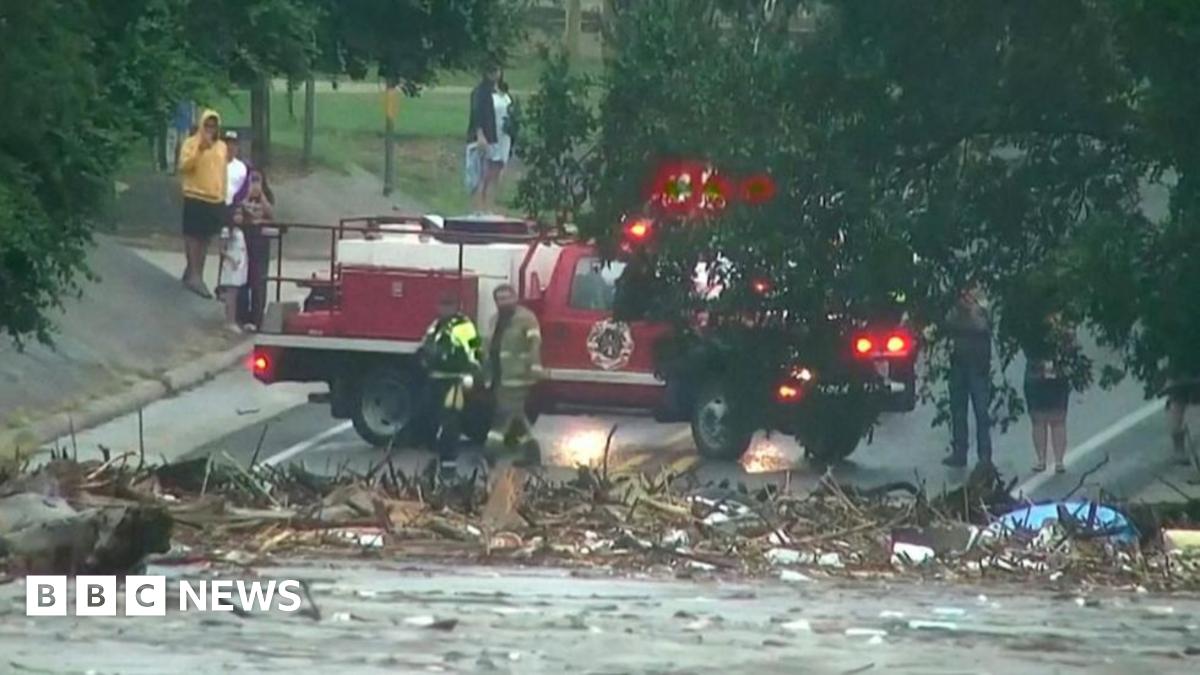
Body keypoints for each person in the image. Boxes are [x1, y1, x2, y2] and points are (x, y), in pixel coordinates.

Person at [419, 294, 483, 473]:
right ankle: (434, 457)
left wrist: (474, 373)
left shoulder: (464, 326)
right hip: (435, 378)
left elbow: (475, 349)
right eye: (442, 304)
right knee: (430, 416)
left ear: (456, 306)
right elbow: (426, 345)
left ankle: (448, 461)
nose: (444, 309)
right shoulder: (436, 325)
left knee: (450, 421)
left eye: (449, 304)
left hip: (455, 380)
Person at [483, 284, 544, 467]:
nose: (503, 302)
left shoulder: (526, 318)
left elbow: (534, 342)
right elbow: (488, 345)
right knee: (517, 417)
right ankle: (532, 454)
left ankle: (490, 451)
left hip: (518, 376)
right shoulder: (494, 320)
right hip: (499, 376)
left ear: (515, 298)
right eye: (499, 299)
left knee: (502, 415)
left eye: (507, 298)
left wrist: (534, 367)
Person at [178, 110, 228, 299]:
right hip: (195, 195)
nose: (210, 130)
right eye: (207, 126)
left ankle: (196, 271)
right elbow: (184, 166)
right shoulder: (191, 144)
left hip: (214, 198)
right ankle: (194, 275)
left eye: (213, 126)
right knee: (193, 236)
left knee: (206, 238)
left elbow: (222, 174)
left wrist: (223, 196)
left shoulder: (222, 147)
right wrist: (200, 149)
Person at [943, 282, 994, 468]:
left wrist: (971, 309)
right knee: (958, 410)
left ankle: (985, 456)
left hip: (978, 366)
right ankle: (959, 452)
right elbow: (947, 321)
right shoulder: (956, 309)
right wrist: (959, 309)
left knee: (981, 412)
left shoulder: (982, 305)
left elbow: (982, 326)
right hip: (958, 363)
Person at [1023, 313, 1075, 473]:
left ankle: (1059, 461)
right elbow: (1025, 344)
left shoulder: (1064, 322)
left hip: (1057, 372)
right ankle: (1041, 459)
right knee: (1038, 419)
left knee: (1058, 418)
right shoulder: (1029, 322)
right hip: (1035, 372)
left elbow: (1071, 345)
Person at [238, 167, 275, 329]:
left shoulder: (267, 196)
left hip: (261, 240)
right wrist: (247, 195)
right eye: (252, 180)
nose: (255, 184)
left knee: (259, 279)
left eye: (258, 180)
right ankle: (242, 315)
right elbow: (238, 211)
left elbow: (271, 214)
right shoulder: (241, 194)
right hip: (244, 238)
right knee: (243, 277)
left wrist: (261, 197)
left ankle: (258, 317)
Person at [466, 63, 505, 213]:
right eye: (492, 71)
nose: (495, 74)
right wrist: (480, 135)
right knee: (481, 174)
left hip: (497, 137)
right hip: (483, 138)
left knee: (493, 173)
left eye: (496, 70)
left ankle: (488, 207)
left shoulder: (499, 92)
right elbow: (476, 114)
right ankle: (478, 208)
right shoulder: (480, 92)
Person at [216, 208, 249, 334]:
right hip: (231, 265)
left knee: (236, 294)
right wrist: (231, 259)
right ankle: (229, 321)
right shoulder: (226, 230)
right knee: (231, 295)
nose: (239, 217)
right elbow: (222, 249)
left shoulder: (239, 231)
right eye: (236, 214)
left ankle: (233, 319)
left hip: (240, 264)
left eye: (241, 214)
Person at [224, 131, 249, 207]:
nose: (230, 147)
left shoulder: (241, 167)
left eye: (234, 144)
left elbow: (244, 190)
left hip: (234, 206)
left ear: (238, 147)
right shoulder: (214, 163)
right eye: (227, 144)